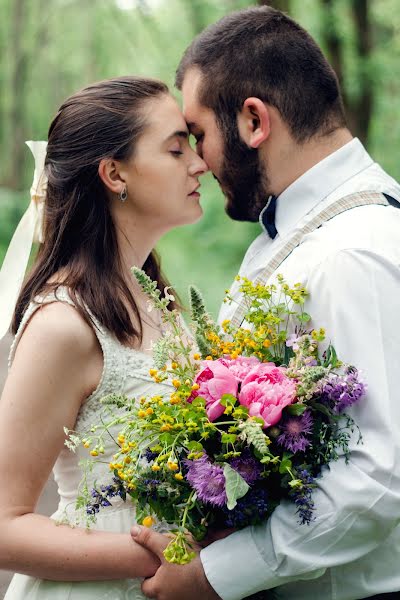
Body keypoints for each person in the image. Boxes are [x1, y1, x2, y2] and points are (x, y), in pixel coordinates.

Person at [130, 6, 400, 600]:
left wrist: (214, 575)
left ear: (254, 120)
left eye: (199, 134)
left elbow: (381, 476)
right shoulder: (304, 234)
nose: (197, 161)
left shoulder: (352, 252)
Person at [0, 75, 207, 599]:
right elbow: (3, 523)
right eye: (176, 149)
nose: (198, 164)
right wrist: (168, 554)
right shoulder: (63, 323)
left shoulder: (161, 302)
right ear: (115, 174)